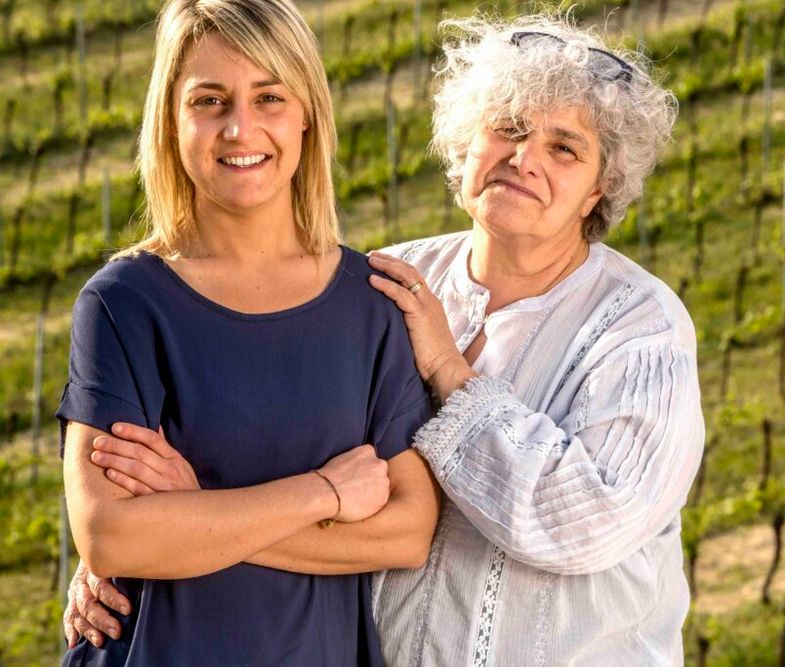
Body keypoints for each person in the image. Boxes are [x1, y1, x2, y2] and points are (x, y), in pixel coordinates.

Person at [66, 13, 705, 665]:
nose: (523, 159)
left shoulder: (641, 330)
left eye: (564, 148)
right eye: (507, 128)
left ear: (601, 186)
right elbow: (175, 496)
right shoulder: (389, 281)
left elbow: (581, 524)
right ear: (465, 142)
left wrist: (191, 522)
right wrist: (150, 547)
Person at [57, 0, 438, 664]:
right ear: (171, 120)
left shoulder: (370, 304)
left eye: (269, 97)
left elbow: (407, 531)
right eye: (209, 101)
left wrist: (194, 511)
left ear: (307, 113)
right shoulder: (124, 303)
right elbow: (110, 534)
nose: (240, 128)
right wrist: (323, 494)